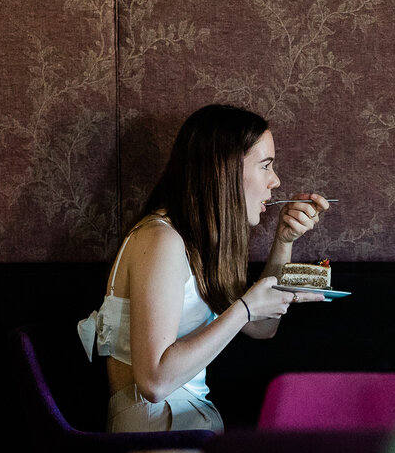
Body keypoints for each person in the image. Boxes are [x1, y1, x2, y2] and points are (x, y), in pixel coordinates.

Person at [78, 104, 331, 433]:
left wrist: (284, 241)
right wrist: (244, 308)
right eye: (266, 165)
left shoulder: (194, 243)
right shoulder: (160, 239)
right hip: (156, 430)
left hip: (184, 422)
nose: (275, 180)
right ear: (224, 169)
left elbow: (262, 327)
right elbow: (154, 382)